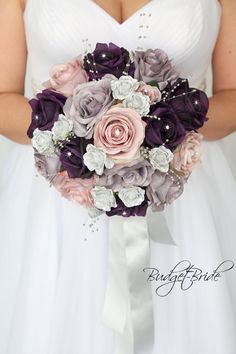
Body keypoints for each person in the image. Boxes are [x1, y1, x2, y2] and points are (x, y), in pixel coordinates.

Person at [0, 0, 235, 353]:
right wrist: (84, 136)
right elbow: (3, 98)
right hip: (57, 201)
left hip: (184, 199)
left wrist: (157, 129)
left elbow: (232, 98)